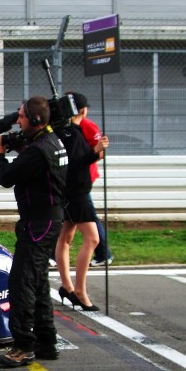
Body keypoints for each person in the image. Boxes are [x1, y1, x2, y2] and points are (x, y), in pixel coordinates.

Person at [0, 96, 68, 367]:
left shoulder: (38, 150)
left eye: (20, 116)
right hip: (48, 220)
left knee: (21, 283)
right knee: (39, 282)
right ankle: (46, 342)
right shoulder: (51, 141)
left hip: (39, 224)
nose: (17, 121)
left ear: (34, 120)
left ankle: (23, 346)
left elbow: (6, 177)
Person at [53, 97, 109, 311]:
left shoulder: (62, 131)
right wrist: (96, 150)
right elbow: (76, 163)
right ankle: (79, 290)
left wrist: (94, 153)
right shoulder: (74, 133)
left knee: (66, 236)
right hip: (77, 192)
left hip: (68, 191)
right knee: (93, 239)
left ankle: (67, 286)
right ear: (82, 110)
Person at [72, 92, 114, 267]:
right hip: (74, 177)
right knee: (71, 219)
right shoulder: (69, 127)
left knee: (87, 216)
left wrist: (88, 158)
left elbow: (100, 153)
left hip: (83, 177)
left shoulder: (87, 126)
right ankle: (53, 252)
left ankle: (104, 253)